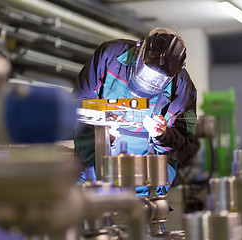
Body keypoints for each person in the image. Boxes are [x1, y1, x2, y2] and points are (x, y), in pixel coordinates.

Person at [73, 27, 197, 195]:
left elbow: (186, 143)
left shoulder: (183, 90)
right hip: (95, 166)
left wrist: (163, 134)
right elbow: (78, 105)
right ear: (140, 52)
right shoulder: (109, 56)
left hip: (147, 179)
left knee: (145, 215)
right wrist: (102, 124)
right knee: (90, 211)